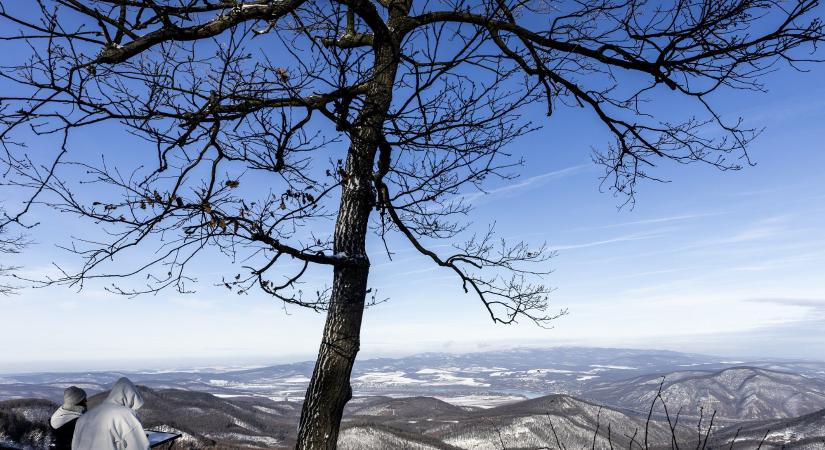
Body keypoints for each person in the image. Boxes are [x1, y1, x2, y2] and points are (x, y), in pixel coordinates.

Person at [71, 377, 150, 450]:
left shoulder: (83, 417)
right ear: (131, 398)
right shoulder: (125, 415)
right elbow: (139, 447)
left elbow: (75, 446)